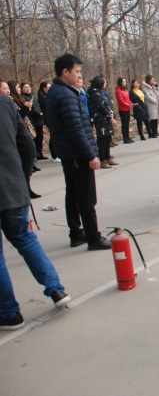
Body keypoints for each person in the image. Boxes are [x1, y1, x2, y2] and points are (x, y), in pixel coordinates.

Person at [0, 91, 71, 331]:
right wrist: (21, 176)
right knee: (26, 239)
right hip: (13, 186)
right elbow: (27, 143)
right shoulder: (6, 104)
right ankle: (56, 288)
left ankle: (9, 312)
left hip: (12, 185)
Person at [45, 53, 111, 251]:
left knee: (73, 195)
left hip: (68, 154)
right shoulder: (65, 95)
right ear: (65, 72)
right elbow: (75, 129)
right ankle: (93, 237)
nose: (80, 75)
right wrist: (91, 154)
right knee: (86, 197)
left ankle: (76, 233)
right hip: (77, 155)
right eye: (77, 72)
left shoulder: (59, 92)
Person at [7, 80, 40, 198]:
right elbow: (16, 117)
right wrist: (26, 108)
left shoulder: (17, 99)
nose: (20, 89)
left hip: (25, 130)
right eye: (17, 87)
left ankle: (27, 187)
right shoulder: (9, 102)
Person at [88, 76, 118, 169]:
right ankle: (103, 160)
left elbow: (107, 104)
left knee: (108, 138)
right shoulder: (95, 94)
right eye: (103, 82)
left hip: (106, 118)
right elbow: (102, 107)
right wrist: (110, 117)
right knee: (103, 140)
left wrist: (111, 113)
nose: (105, 84)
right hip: (101, 119)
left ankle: (108, 157)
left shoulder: (100, 93)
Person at [20, 82, 46, 160]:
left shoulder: (33, 97)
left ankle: (39, 153)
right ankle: (35, 154)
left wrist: (41, 112)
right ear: (22, 89)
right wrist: (38, 113)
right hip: (32, 119)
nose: (28, 89)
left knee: (39, 137)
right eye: (26, 87)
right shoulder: (23, 98)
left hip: (39, 120)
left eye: (29, 87)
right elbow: (31, 110)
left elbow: (38, 105)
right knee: (33, 138)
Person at [37, 81, 60, 163]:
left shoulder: (48, 96)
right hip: (49, 119)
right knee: (53, 136)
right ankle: (54, 156)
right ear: (44, 89)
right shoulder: (44, 98)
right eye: (48, 87)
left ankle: (56, 154)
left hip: (52, 118)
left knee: (55, 136)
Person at [115, 77, 135, 143]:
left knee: (127, 123)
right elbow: (121, 101)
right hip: (122, 109)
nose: (125, 83)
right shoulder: (118, 90)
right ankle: (125, 138)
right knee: (124, 124)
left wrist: (131, 103)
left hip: (127, 108)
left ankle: (128, 136)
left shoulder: (125, 90)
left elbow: (127, 99)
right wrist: (127, 105)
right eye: (123, 82)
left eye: (125, 82)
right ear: (120, 82)